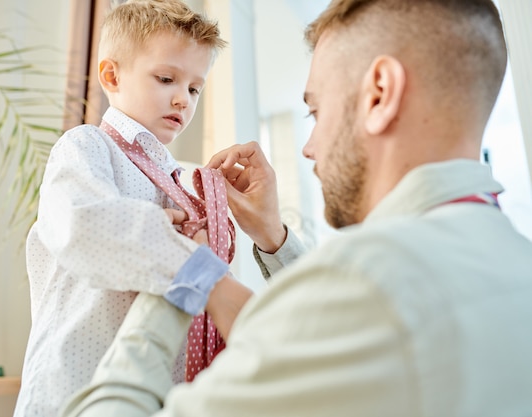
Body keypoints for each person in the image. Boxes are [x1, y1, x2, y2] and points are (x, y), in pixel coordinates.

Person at [61, 0, 532, 416]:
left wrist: (187, 277)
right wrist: (272, 237)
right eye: (166, 79)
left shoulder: (367, 284)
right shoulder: (517, 264)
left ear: (380, 94)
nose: (308, 147)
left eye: (315, 111)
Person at [12, 1, 243, 416]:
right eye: (166, 78)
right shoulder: (85, 147)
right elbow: (84, 225)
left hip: (153, 394)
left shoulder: (186, 185)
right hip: (76, 388)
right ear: (112, 75)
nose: (182, 100)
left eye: (194, 88)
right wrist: (203, 274)